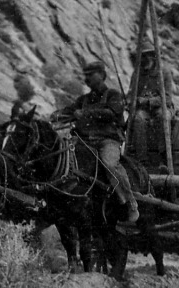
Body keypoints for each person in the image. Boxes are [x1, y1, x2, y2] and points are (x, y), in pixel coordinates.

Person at [56, 59, 138, 224]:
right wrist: (58, 115)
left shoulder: (114, 95)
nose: (87, 79)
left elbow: (111, 113)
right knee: (62, 159)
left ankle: (130, 202)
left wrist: (85, 113)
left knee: (109, 163)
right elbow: (70, 110)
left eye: (90, 75)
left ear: (101, 75)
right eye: (85, 76)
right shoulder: (83, 99)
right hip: (84, 141)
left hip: (107, 141)